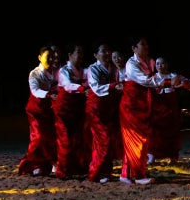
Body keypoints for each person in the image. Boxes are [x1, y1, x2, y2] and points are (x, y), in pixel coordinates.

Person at [119, 35, 168, 185]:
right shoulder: (131, 64)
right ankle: (138, 175)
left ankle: (126, 174)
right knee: (136, 140)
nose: (146, 47)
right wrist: (167, 81)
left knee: (139, 141)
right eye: (143, 45)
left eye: (147, 45)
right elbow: (146, 81)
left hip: (142, 106)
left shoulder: (148, 62)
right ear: (134, 48)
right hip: (131, 107)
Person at [18, 44, 61, 176]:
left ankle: (52, 163)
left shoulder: (56, 71)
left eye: (52, 57)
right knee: (38, 137)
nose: (51, 59)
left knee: (52, 137)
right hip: (36, 110)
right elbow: (35, 91)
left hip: (49, 109)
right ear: (40, 57)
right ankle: (33, 164)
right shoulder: (34, 73)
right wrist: (49, 94)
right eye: (48, 57)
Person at [85, 42, 122, 183]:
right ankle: (96, 172)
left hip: (109, 108)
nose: (107, 54)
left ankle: (105, 172)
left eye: (108, 51)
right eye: (103, 51)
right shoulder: (93, 69)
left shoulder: (113, 68)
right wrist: (113, 86)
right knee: (103, 140)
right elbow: (97, 88)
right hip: (96, 109)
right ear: (96, 55)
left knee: (107, 141)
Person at [53, 43, 90, 179]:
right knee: (65, 140)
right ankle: (63, 170)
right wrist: (82, 88)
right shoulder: (64, 71)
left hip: (77, 108)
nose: (80, 56)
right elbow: (68, 85)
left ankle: (77, 167)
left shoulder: (84, 70)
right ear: (70, 55)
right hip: (64, 109)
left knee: (78, 139)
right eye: (78, 52)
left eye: (81, 53)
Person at [148, 56, 190, 164]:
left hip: (170, 110)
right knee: (155, 133)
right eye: (157, 63)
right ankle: (152, 156)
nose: (159, 66)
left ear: (167, 65)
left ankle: (173, 156)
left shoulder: (174, 76)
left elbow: (187, 82)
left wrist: (181, 85)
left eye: (162, 63)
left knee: (172, 133)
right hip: (157, 109)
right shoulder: (153, 77)